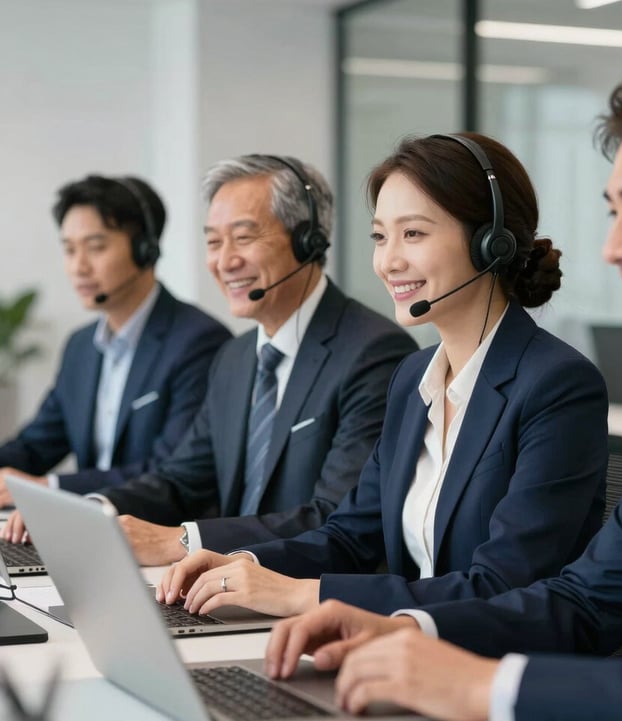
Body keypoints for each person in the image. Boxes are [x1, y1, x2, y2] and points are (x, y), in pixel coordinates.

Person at [263, 71, 622, 721]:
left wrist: (483, 689)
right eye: (614, 214)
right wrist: (411, 631)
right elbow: (584, 602)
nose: (613, 248)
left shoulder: (563, 384)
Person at [157, 132, 608, 618]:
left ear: (490, 242)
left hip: (489, 670)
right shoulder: (415, 377)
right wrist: (238, 565)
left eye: (412, 234)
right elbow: (351, 536)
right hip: (396, 651)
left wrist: (302, 595)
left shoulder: (557, 386)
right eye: (379, 236)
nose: (388, 261)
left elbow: (503, 584)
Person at [0, 154, 418, 563]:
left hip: (305, 596)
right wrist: (89, 513)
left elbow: (335, 518)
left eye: (244, 237)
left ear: (308, 239)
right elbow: (180, 480)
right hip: (219, 587)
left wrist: (185, 540)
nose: (224, 261)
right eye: (214, 242)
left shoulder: (373, 353)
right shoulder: (235, 358)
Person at [0, 174, 231, 509]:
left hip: (158, 536)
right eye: (69, 249)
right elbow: (35, 446)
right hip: (89, 530)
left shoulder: (200, 342)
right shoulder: (80, 347)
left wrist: (49, 486)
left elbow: (169, 472)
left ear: (145, 249)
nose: (78, 267)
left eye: (96, 247)